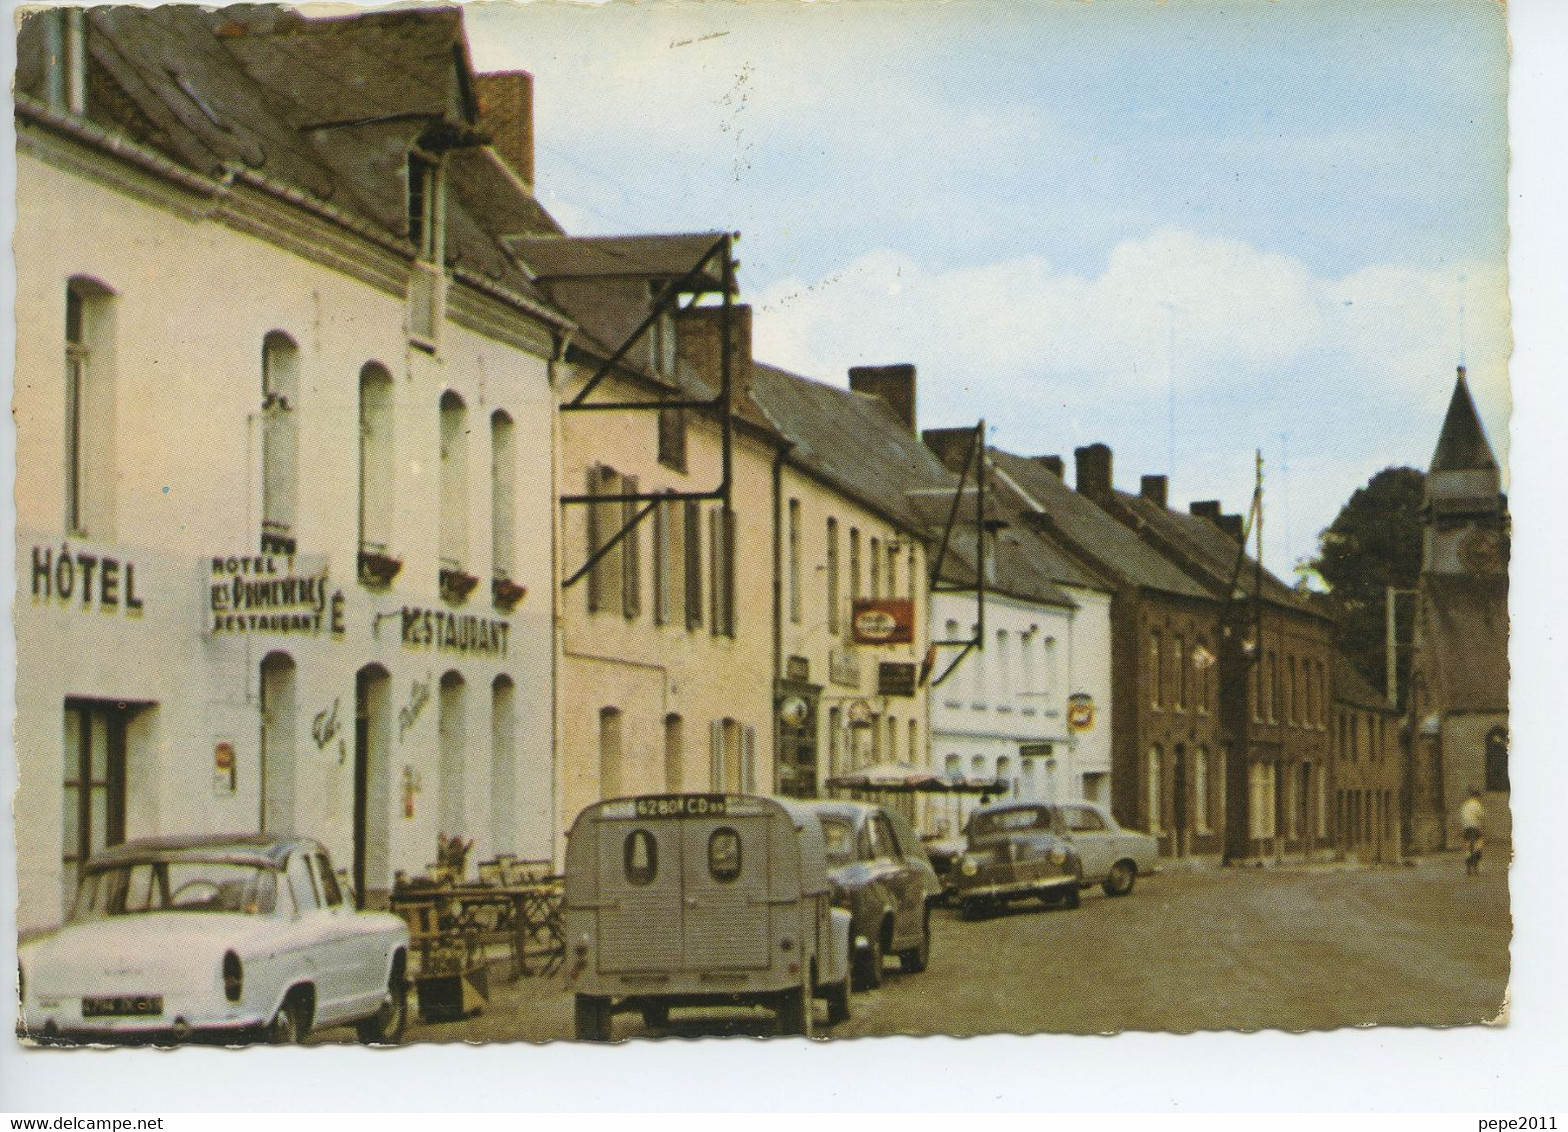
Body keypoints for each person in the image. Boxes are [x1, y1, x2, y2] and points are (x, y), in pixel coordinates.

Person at [1460, 789, 1485, 875]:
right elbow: (1481, 816)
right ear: (1477, 797)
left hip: (1466, 828)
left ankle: (1468, 868)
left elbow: (1462, 817)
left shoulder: (1465, 805)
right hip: (1475, 827)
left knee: (1467, 846)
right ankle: (1475, 866)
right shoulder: (1477, 804)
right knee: (1478, 845)